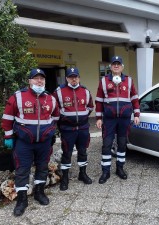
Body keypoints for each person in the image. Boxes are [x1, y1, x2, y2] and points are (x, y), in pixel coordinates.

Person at [1, 68, 60, 217]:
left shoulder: (50, 98)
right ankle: (22, 200)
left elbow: (56, 117)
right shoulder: (18, 97)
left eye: (42, 79)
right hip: (24, 143)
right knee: (22, 170)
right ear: (29, 81)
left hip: (44, 143)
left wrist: (51, 132)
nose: (39, 81)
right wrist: (8, 137)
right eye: (36, 78)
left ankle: (39, 192)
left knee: (42, 167)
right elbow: (7, 118)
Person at [95, 56, 140, 184]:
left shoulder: (129, 81)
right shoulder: (104, 81)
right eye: (114, 64)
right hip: (109, 119)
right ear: (110, 67)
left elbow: (135, 98)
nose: (116, 66)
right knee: (107, 145)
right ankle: (105, 171)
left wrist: (136, 114)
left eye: (118, 64)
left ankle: (120, 169)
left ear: (122, 67)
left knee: (122, 144)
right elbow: (98, 101)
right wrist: (98, 118)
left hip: (124, 119)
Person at [53, 67, 94, 191]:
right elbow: (54, 109)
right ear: (67, 78)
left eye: (75, 77)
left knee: (83, 151)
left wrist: (81, 117)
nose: (74, 79)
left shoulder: (85, 91)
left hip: (82, 128)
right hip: (67, 129)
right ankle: (65, 178)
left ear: (79, 78)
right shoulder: (59, 91)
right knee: (67, 153)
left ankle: (83, 174)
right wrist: (65, 119)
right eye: (71, 77)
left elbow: (90, 107)